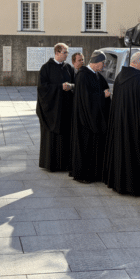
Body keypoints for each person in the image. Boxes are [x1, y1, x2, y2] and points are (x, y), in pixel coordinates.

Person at [103, 51, 140, 195]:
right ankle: (132, 186)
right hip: (133, 127)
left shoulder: (119, 77)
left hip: (119, 124)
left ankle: (118, 183)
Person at [71, 50, 111, 183]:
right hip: (85, 120)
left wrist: (104, 94)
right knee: (85, 147)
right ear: (97, 62)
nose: (104, 66)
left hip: (94, 118)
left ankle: (94, 174)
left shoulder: (96, 75)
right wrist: (102, 95)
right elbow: (85, 99)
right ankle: (83, 175)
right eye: (103, 63)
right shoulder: (83, 75)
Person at [35, 43, 75, 172]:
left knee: (66, 137)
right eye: (65, 52)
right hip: (52, 110)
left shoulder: (69, 68)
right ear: (57, 52)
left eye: (67, 52)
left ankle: (65, 164)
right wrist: (59, 87)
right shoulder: (46, 68)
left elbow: (75, 84)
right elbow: (42, 88)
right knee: (52, 138)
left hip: (66, 108)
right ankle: (51, 164)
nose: (67, 55)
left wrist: (71, 86)